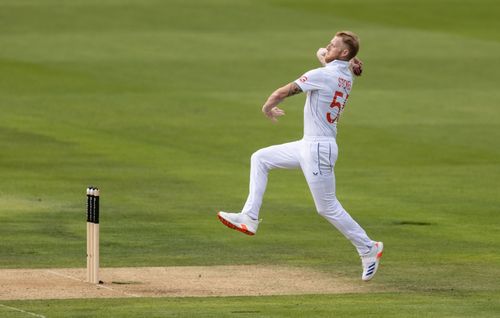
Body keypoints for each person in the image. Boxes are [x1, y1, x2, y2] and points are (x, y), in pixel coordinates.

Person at [217, 31, 383, 281]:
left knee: (327, 207)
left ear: (345, 53)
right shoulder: (344, 74)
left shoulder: (323, 75)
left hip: (318, 149)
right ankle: (249, 217)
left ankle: (368, 248)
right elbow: (323, 54)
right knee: (260, 158)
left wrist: (267, 107)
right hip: (311, 144)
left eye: (334, 45)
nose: (327, 47)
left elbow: (283, 92)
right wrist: (345, 60)